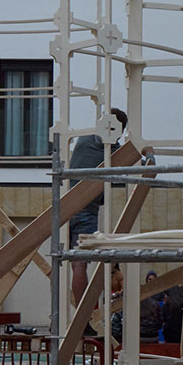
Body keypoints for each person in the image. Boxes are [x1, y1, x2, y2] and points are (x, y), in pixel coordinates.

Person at [67, 109, 128, 303]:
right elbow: (136, 161)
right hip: (86, 208)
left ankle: (77, 314)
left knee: (73, 262)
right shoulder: (111, 150)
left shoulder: (84, 139)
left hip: (67, 206)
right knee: (80, 265)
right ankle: (83, 317)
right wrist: (148, 153)